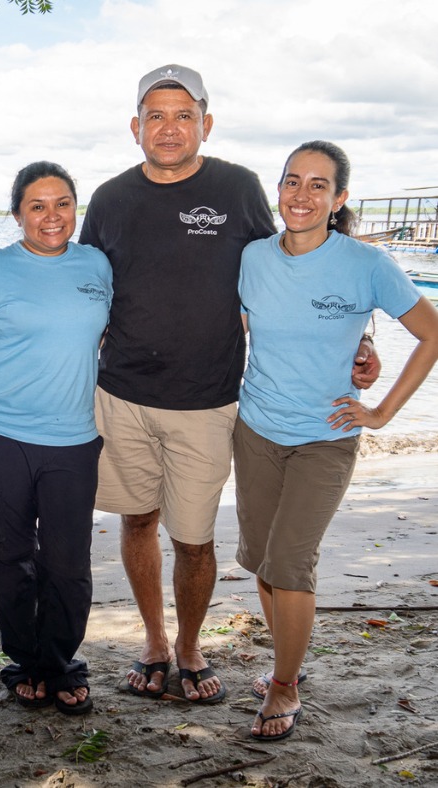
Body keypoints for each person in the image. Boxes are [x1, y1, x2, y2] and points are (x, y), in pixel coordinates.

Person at [76, 65, 380, 703]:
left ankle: (190, 647)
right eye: (155, 115)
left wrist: (362, 338)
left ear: (205, 124)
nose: (169, 128)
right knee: (137, 522)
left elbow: (297, 268)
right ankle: (156, 642)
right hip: (122, 394)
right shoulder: (107, 199)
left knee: (194, 538)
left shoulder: (238, 188)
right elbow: (78, 285)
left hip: (210, 402)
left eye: (183, 115)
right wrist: (10, 327)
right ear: (135, 127)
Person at [235, 140, 438, 741]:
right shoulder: (252, 257)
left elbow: (430, 335)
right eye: (291, 181)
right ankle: (285, 664)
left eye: (317, 185)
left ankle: (284, 685)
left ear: (339, 198)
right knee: (262, 563)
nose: (301, 195)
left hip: (326, 437)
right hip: (255, 429)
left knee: (291, 563)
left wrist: (381, 412)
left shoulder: (368, 263)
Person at [0, 162, 111, 714]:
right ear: (17, 213)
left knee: (68, 563)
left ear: (77, 208)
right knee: (8, 557)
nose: (52, 216)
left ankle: (60, 661)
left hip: (74, 439)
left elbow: (121, 327)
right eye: (38, 206)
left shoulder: (96, 263)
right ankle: (26, 661)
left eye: (63, 203)